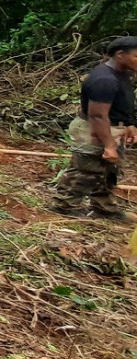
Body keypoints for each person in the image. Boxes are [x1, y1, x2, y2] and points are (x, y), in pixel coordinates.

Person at [53, 37, 137, 223]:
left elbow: (120, 103)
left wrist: (129, 124)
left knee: (108, 171)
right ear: (120, 55)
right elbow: (97, 116)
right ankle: (64, 205)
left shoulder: (123, 72)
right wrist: (109, 145)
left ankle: (104, 207)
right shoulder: (104, 80)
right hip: (94, 130)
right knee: (86, 170)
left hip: (112, 127)